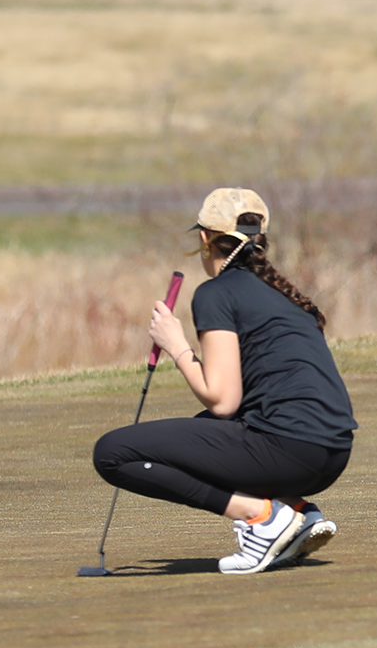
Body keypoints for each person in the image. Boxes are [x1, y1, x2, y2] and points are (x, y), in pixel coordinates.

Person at [91, 188, 355, 573]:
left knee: (113, 453)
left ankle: (262, 517)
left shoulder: (214, 293)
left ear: (203, 238)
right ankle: (297, 511)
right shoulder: (283, 294)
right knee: (204, 431)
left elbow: (223, 399)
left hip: (289, 450)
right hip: (331, 455)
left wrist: (175, 345)